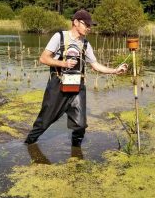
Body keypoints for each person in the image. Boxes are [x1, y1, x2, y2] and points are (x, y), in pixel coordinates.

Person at [24, 9, 128, 147]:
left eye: (90, 26)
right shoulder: (59, 37)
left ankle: (76, 152)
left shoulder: (85, 44)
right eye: (87, 25)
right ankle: (28, 144)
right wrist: (63, 63)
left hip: (78, 87)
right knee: (43, 122)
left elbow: (95, 65)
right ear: (76, 22)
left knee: (80, 125)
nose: (89, 28)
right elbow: (43, 58)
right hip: (57, 87)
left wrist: (115, 70)